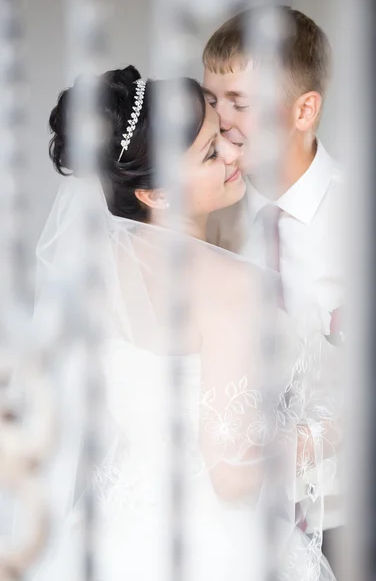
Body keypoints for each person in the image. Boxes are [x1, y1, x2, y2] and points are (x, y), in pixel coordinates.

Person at [32, 65, 338, 581]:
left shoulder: (96, 270)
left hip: (110, 535)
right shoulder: (229, 282)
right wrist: (338, 427)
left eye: (222, 137)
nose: (234, 155)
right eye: (211, 153)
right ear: (156, 195)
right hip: (211, 548)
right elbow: (234, 475)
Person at [203, 6, 345, 566]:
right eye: (212, 101)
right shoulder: (206, 219)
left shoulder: (372, 219)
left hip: (345, 509)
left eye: (240, 102)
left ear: (304, 109)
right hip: (233, 521)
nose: (222, 120)